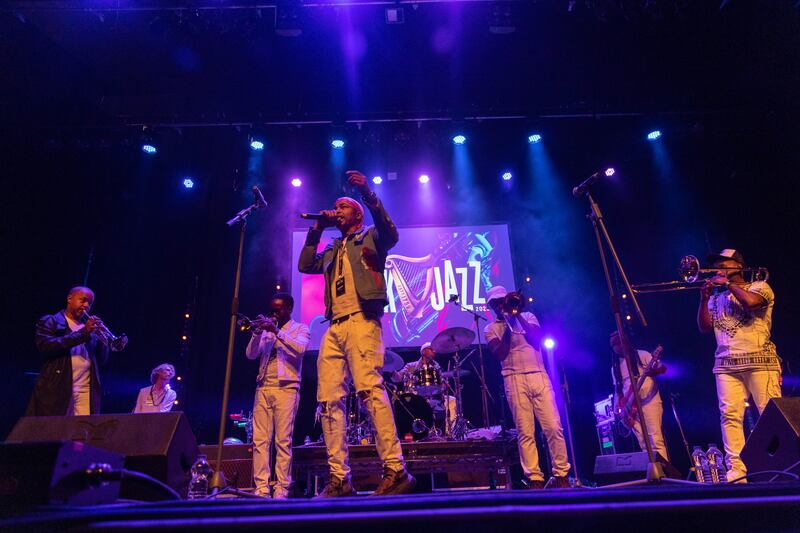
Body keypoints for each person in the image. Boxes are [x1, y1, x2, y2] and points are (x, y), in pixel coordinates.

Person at [298, 170, 415, 497]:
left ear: (357, 213)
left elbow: (391, 233)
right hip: (334, 326)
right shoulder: (333, 248)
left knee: (369, 390)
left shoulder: (370, 238)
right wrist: (317, 228)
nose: (336, 210)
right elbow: (306, 265)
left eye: (342, 207)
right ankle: (340, 478)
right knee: (328, 399)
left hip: (363, 320)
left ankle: (395, 468)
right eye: (335, 206)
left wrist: (367, 193)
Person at [697, 249, 782, 482]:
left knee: (770, 416)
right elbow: (705, 327)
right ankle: (736, 469)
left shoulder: (760, 286)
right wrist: (704, 299)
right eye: (716, 264)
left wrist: (729, 284)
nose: (718, 267)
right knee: (730, 416)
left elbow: (751, 304)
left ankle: (778, 464)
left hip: (760, 362)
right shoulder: (717, 298)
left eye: (723, 263)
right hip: (725, 365)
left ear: (738, 264)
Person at [484, 285, 571, 489]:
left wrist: (517, 316)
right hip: (513, 378)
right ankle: (535, 478)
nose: (500, 306)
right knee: (525, 432)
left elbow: (537, 339)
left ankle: (562, 474)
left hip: (539, 375)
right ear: (491, 306)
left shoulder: (529, 316)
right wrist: (508, 322)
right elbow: (500, 354)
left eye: (502, 301)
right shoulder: (491, 329)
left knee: (553, 427)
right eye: (495, 303)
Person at [245, 293, 310, 499]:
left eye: (278, 309)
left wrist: (278, 333)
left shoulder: (301, 328)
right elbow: (251, 355)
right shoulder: (266, 331)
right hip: (263, 388)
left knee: (283, 441)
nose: (274, 313)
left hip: (287, 389)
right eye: (272, 309)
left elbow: (299, 350)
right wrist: (256, 333)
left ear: (289, 308)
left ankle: (282, 487)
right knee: (260, 441)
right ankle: (262, 487)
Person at [26, 286, 126, 416]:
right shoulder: (51, 321)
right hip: (58, 387)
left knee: (82, 431)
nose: (86, 305)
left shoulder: (88, 329)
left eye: (89, 303)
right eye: (83, 300)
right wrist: (83, 333)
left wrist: (104, 341)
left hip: (85, 389)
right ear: (69, 299)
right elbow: (46, 346)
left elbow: (100, 361)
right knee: (57, 431)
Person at [609, 331, 669, 460]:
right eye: (614, 345)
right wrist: (619, 408)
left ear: (625, 342)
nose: (617, 347)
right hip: (631, 409)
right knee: (643, 444)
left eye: (619, 343)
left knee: (655, 440)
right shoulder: (615, 367)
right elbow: (618, 389)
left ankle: (665, 474)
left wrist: (655, 369)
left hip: (649, 402)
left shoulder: (642, 355)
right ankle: (653, 473)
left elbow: (661, 368)